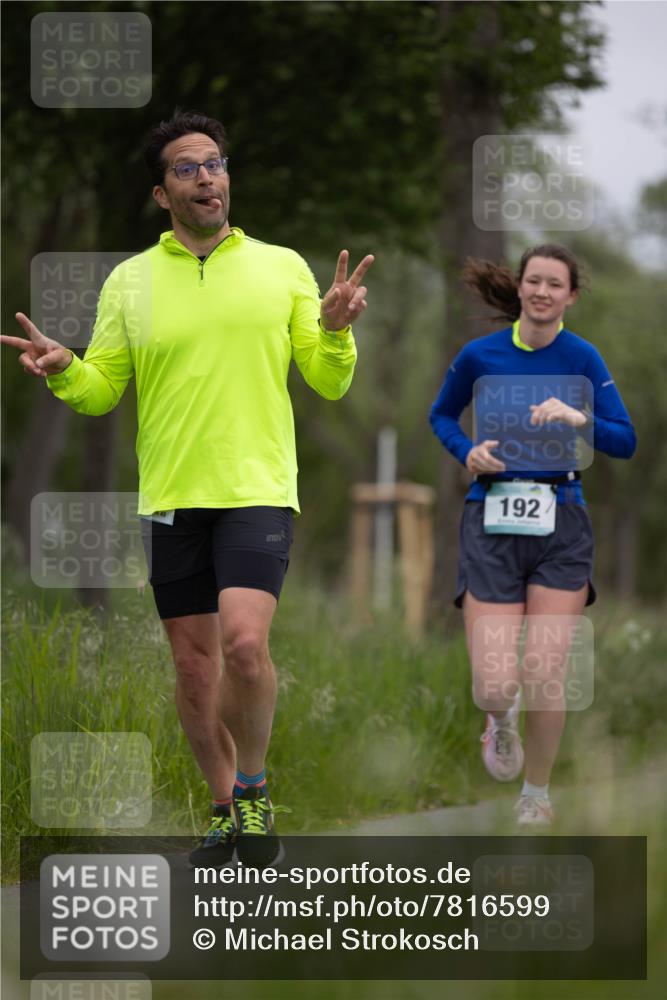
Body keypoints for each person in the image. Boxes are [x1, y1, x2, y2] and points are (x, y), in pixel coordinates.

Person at [2, 110, 373, 864]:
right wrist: (64, 367)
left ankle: (254, 791)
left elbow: (328, 382)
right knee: (194, 665)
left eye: (216, 163)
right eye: (187, 168)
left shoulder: (281, 267)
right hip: (171, 493)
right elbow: (104, 390)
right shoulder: (131, 282)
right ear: (160, 194)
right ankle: (217, 804)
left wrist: (334, 329)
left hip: (257, 486)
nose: (207, 176)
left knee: (242, 645)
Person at [429, 245, 635, 828]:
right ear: (520, 288)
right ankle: (498, 720)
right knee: (495, 683)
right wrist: (466, 451)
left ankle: (536, 794)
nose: (543, 292)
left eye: (556, 284)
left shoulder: (583, 358)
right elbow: (441, 415)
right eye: (534, 281)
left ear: (571, 296)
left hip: (562, 523)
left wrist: (580, 419)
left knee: (546, 670)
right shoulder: (479, 356)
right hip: (491, 518)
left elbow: (625, 440)